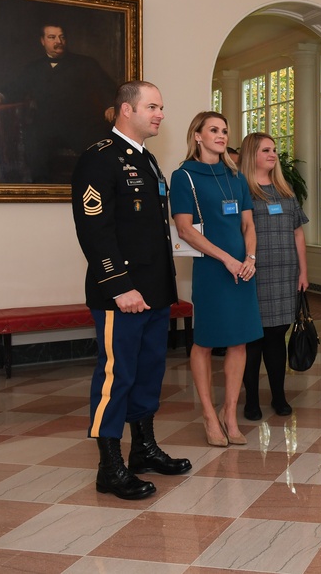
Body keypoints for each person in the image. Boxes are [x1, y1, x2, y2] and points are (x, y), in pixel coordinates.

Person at [70, 80, 191, 501]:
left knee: (147, 373)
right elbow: (95, 229)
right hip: (121, 294)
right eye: (152, 106)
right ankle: (109, 466)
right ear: (126, 110)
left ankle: (142, 449)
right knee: (115, 376)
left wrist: (162, 288)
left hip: (154, 290)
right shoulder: (99, 159)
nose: (160, 114)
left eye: (162, 107)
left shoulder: (149, 160)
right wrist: (119, 286)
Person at [170, 112, 262, 447]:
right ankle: (209, 415)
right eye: (213, 130)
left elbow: (248, 225)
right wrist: (226, 259)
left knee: (240, 342)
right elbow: (184, 230)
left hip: (243, 269)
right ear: (197, 136)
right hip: (212, 269)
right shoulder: (184, 176)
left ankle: (229, 414)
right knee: (205, 341)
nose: (221, 135)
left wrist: (249, 258)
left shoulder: (235, 175)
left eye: (224, 130)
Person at [0, 23, 117, 183]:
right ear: (42, 41)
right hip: (46, 127)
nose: (58, 41)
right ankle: (42, 192)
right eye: (52, 37)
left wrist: (111, 105)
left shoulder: (86, 63)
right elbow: (17, 87)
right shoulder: (34, 68)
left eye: (62, 37)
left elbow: (105, 86)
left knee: (102, 149)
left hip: (81, 125)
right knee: (33, 145)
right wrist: (0, 95)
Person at [239, 132, 308, 419]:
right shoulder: (241, 189)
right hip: (254, 273)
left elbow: (298, 233)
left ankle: (279, 397)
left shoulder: (286, 190)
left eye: (275, 150)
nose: (273, 154)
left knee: (277, 339)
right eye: (266, 150)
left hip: (285, 273)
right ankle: (251, 401)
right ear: (251, 154)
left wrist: (304, 271)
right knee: (253, 342)